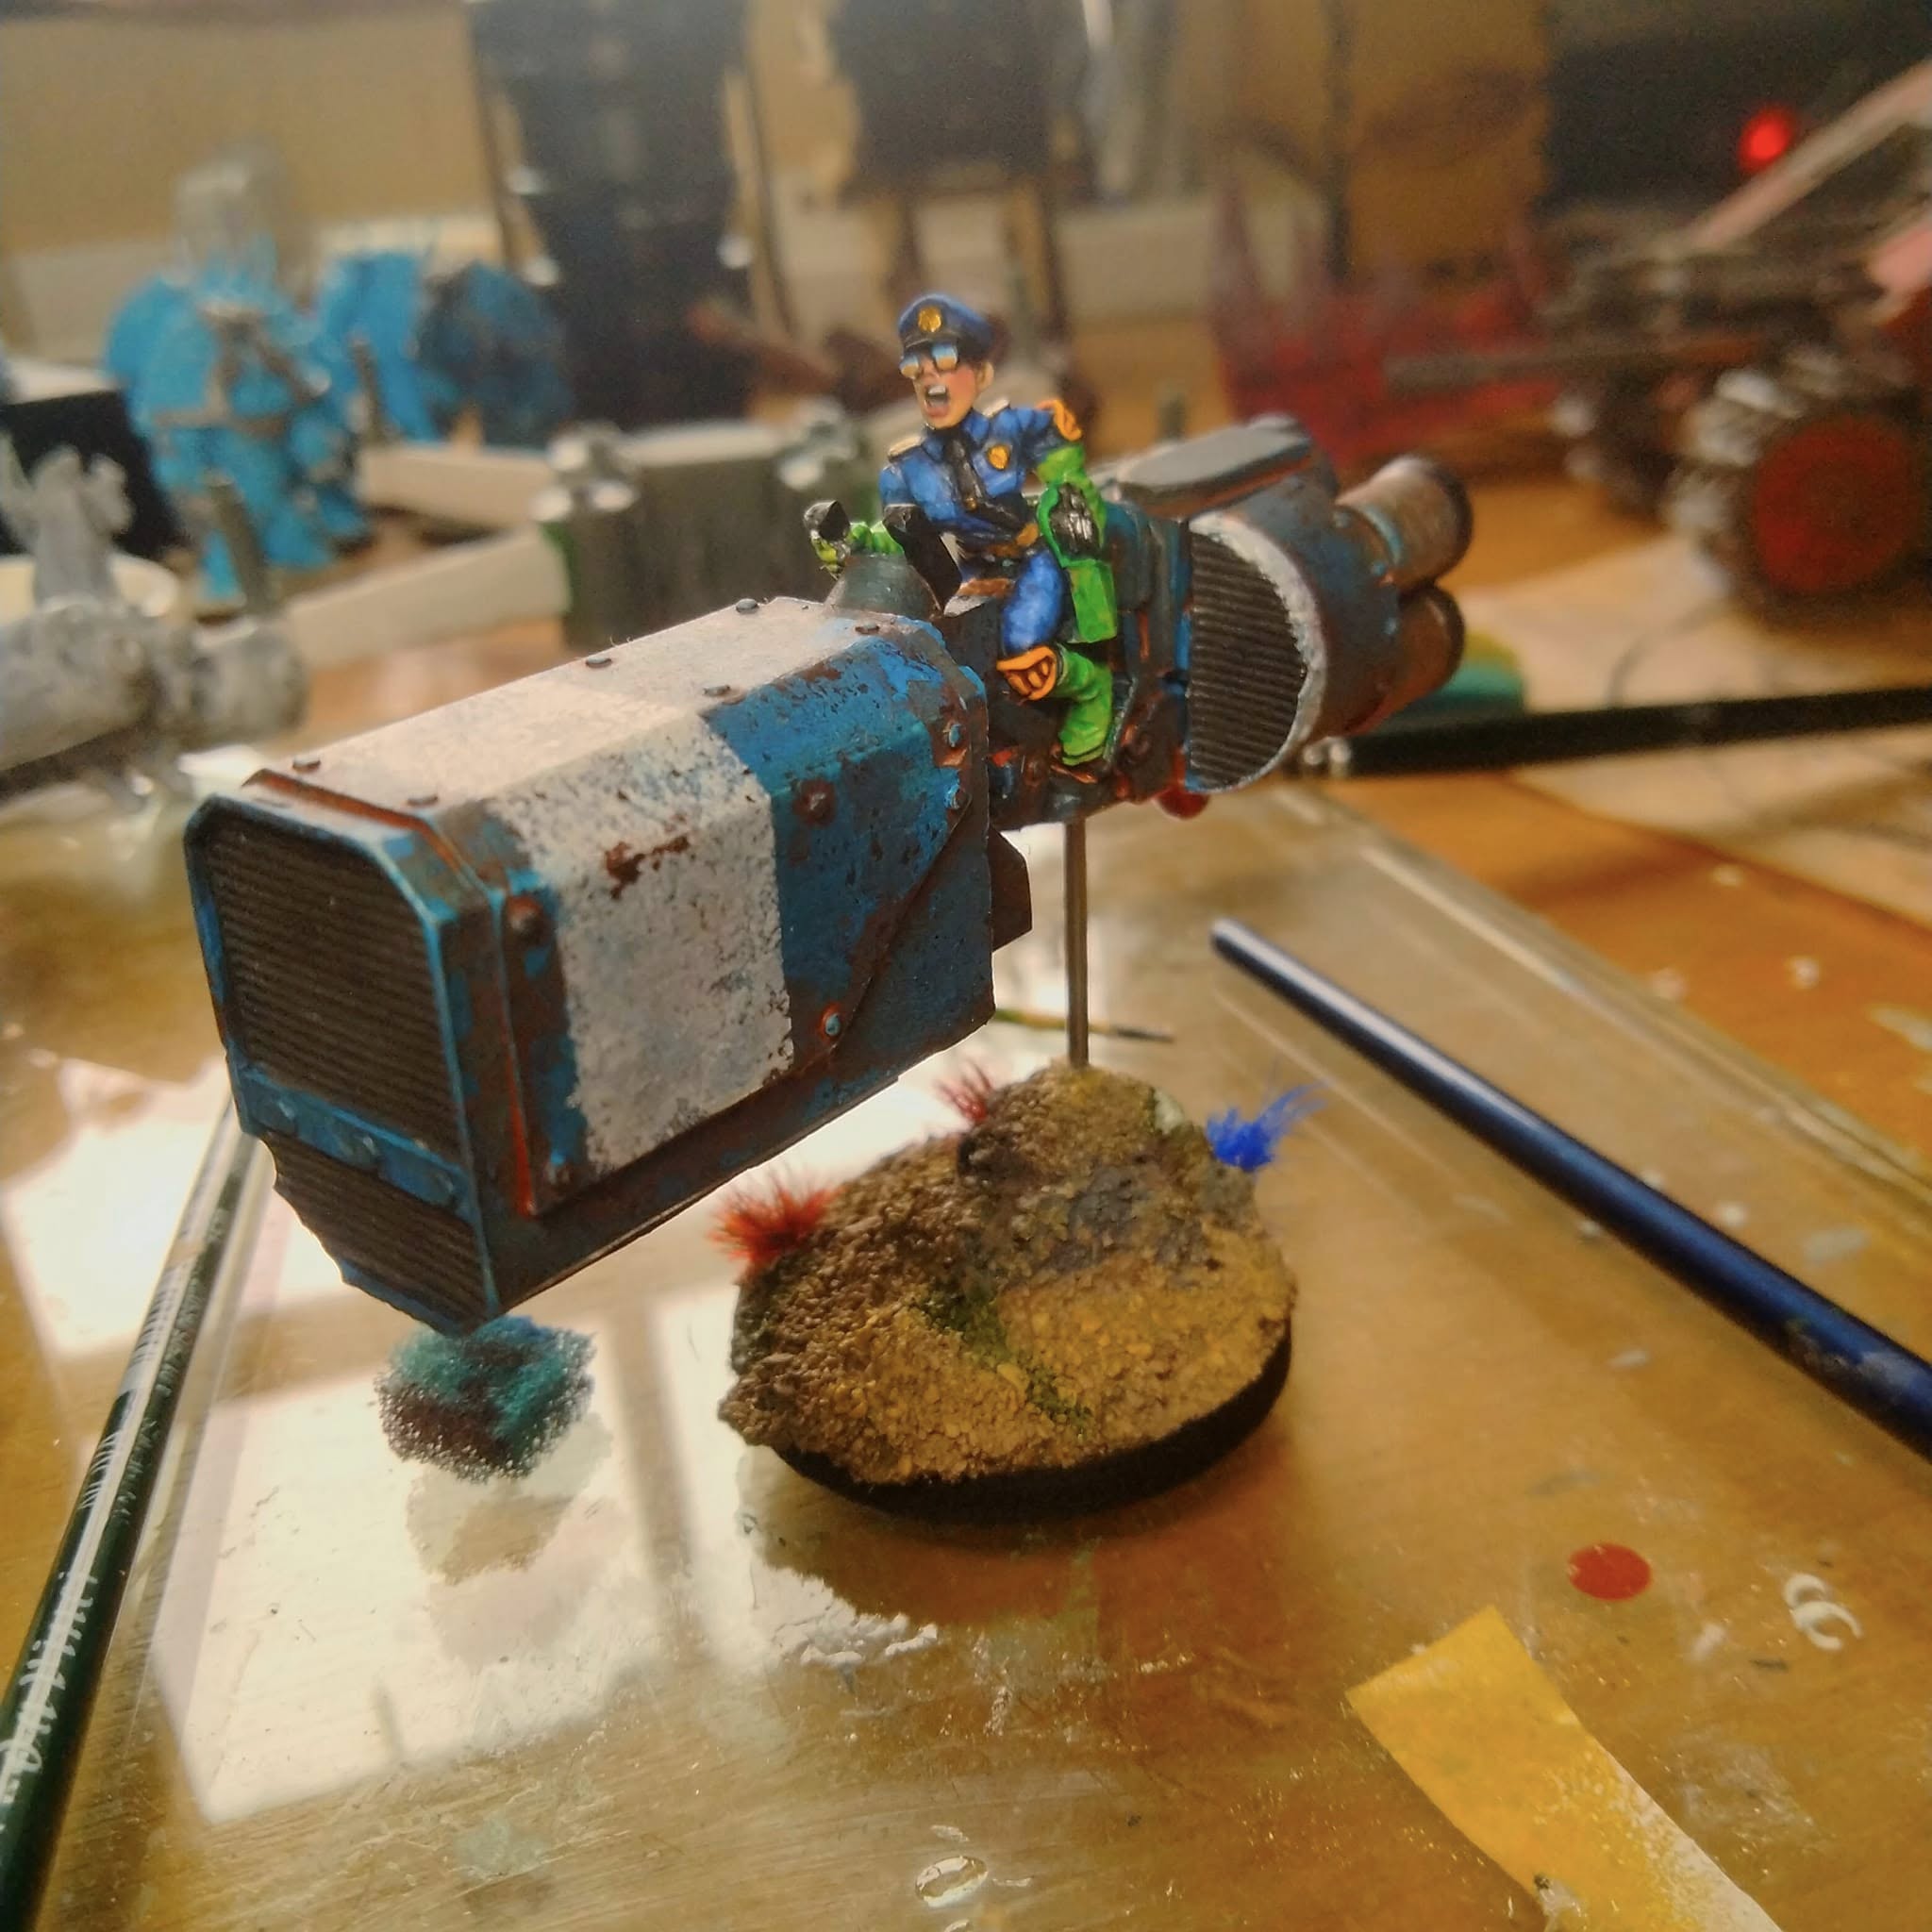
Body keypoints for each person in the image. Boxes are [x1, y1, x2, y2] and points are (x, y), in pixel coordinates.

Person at [832, 292, 1115, 765]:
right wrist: (856, 543)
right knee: (945, 657)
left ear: (981, 375)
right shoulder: (906, 470)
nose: (932, 382)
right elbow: (901, 538)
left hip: (1031, 562)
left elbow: (1070, 482)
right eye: (919, 370)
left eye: (946, 365)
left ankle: (1092, 690)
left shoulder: (1019, 429)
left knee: (1022, 648)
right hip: (970, 573)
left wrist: (1071, 499)